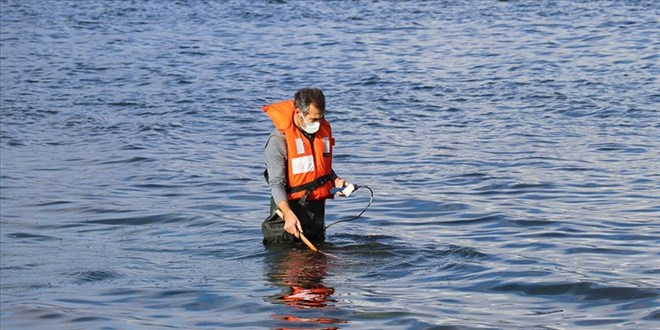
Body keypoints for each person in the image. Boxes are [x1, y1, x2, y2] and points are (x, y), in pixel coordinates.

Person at [261, 88, 349, 245]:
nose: (318, 124)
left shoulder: (321, 133)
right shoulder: (278, 141)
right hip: (286, 224)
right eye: (313, 119)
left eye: (321, 118)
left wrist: (336, 181)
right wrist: (288, 215)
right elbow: (276, 184)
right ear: (298, 113)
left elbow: (321, 168)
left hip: (315, 219)